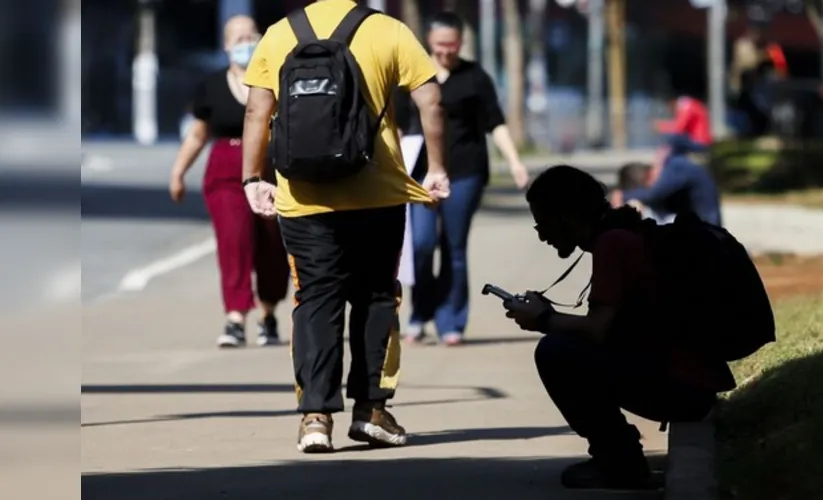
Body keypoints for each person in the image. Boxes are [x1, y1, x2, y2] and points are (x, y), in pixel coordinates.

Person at [240, 0, 451, 453]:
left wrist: (252, 177)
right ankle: (371, 410)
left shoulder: (279, 34)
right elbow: (431, 99)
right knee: (377, 296)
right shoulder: (388, 30)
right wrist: (435, 168)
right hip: (378, 192)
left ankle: (315, 417)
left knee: (315, 298)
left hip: (303, 195)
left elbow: (257, 111)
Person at [503, 165, 737, 490]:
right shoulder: (623, 233)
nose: (542, 235)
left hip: (684, 389)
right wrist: (549, 317)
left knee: (555, 352)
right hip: (691, 383)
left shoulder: (613, 244)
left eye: (543, 224)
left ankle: (619, 463)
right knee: (565, 345)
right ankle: (619, 456)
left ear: (567, 218)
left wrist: (544, 320)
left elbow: (598, 330)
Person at [404, 11, 530, 347]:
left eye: (452, 44)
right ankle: (419, 312)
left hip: (465, 173)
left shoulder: (475, 77)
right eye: (440, 44)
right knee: (421, 245)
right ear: (429, 42)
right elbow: (397, 125)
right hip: (420, 175)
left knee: (454, 248)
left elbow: (495, 123)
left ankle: (451, 320)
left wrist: (515, 161)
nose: (446, 50)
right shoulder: (414, 73)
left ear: (460, 42)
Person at [168, 15, 289, 349]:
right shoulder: (211, 86)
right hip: (225, 172)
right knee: (234, 240)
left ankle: (268, 312)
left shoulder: (276, 80)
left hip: (271, 169)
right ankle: (236, 316)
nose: (245, 45)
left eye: (251, 37)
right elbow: (197, 134)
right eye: (238, 39)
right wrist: (178, 172)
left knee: (273, 245)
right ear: (225, 46)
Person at [612, 134, 723, 227]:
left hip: (707, 230)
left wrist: (623, 195)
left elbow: (654, 194)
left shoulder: (677, 166)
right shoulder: (681, 165)